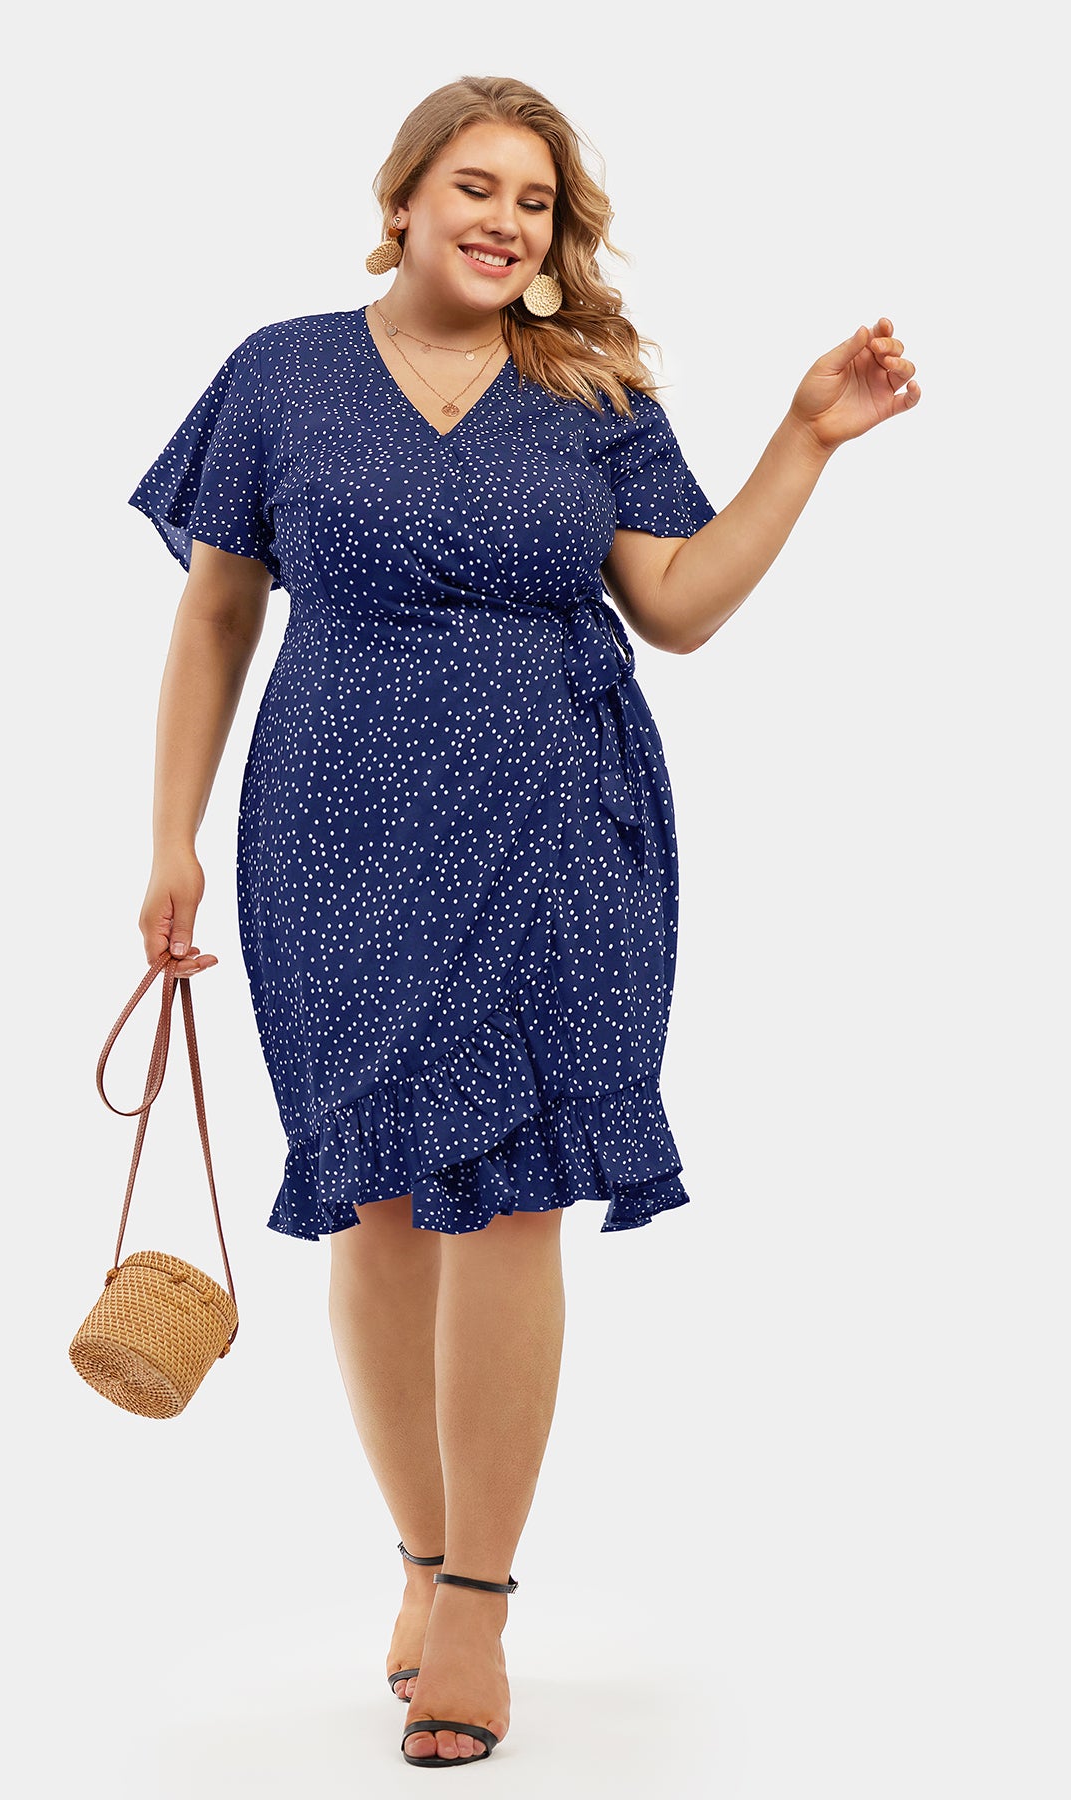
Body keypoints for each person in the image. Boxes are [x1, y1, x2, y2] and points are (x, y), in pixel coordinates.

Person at [124, 73, 919, 1769]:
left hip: (563, 828)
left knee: (518, 1201)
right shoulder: (279, 374)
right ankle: (420, 1555)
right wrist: (168, 837)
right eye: (476, 187)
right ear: (404, 199)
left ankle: (478, 1601)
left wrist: (804, 440)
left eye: (536, 201)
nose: (504, 221)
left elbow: (678, 606)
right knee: (379, 1207)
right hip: (334, 833)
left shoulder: (589, 387)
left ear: (558, 236)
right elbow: (213, 617)